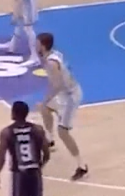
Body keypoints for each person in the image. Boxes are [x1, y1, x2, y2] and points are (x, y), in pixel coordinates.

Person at [36, 32, 88, 181]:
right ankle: (50, 140)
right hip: (64, 93)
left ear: (43, 46)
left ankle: (82, 166)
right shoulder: (53, 54)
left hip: (70, 96)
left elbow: (57, 85)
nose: (35, 45)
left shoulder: (52, 63)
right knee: (45, 109)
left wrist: (46, 99)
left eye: (37, 43)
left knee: (63, 132)